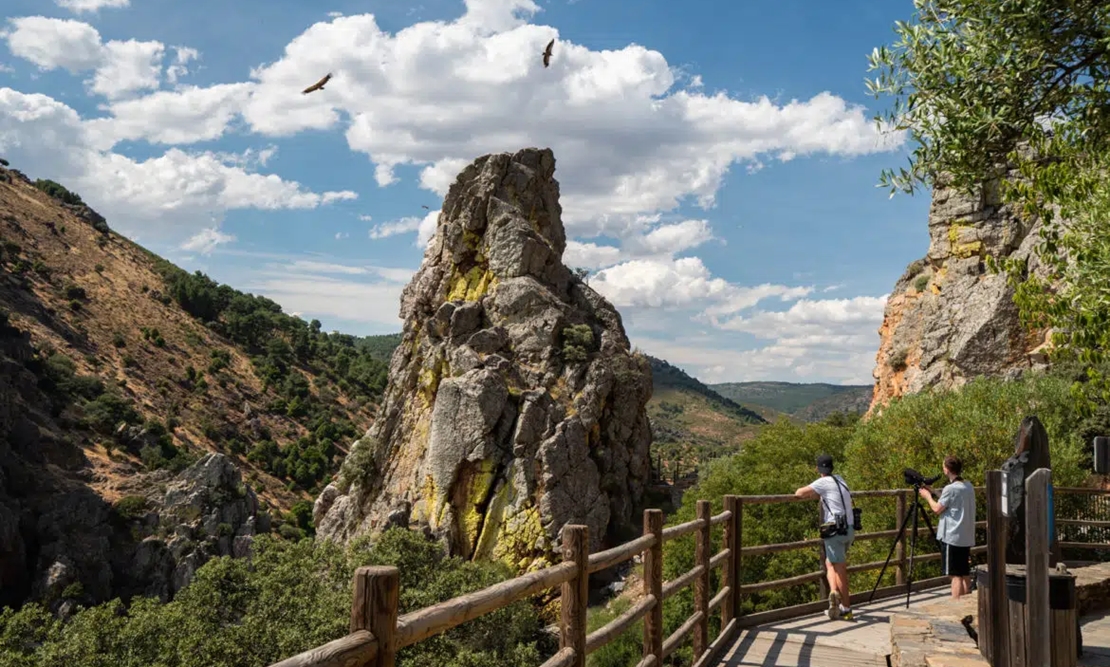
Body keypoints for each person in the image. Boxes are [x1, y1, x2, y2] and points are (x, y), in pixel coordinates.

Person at [795, 453, 855, 621]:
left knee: (840, 569)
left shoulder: (822, 482)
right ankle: (834, 594)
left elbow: (799, 493)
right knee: (830, 563)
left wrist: (815, 493)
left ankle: (847, 609)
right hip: (849, 529)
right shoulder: (840, 479)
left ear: (818, 469)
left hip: (835, 531)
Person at [919, 455, 977, 599]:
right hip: (965, 535)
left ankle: (956, 607)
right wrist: (933, 491)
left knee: (955, 576)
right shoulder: (968, 486)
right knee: (964, 573)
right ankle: (965, 607)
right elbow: (951, 501)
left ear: (947, 469)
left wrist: (927, 496)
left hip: (952, 537)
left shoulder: (950, 489)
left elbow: (937, 509)